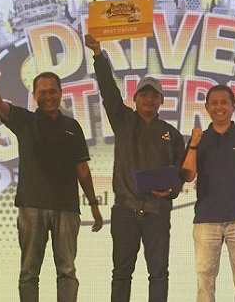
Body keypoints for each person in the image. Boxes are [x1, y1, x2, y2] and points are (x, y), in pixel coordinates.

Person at [0, 50, 103, 302]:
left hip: (67, 207)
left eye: (52, 91)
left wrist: (93, 205)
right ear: (34, 95)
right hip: (32, 206)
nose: (48, 96)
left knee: (67, 271)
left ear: (61, 93)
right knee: (28, 272)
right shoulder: (24, 120)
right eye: (42, 92)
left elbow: (82, 169)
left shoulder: (72, 127)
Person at [84, 34, 185, 302]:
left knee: (159, 274)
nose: (149, 99)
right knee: (121, 273)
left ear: (162, 101)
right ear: (135, 98)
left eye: (154, 95)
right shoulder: (123, 120)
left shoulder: (172, 134)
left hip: (157, 212)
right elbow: (108, 91)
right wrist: (98, 55)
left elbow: (181, 174)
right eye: (144, 94)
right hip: (125, 211)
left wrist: (172, 191)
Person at [181, 84, 235, 302]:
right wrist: (193, 145)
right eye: (214, 103)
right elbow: (188, 175)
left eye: (224, 103)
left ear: (233, 106)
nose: (219, 107)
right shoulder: (199, 139)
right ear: (206, 107)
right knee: (204, 280)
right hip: (206, 218)